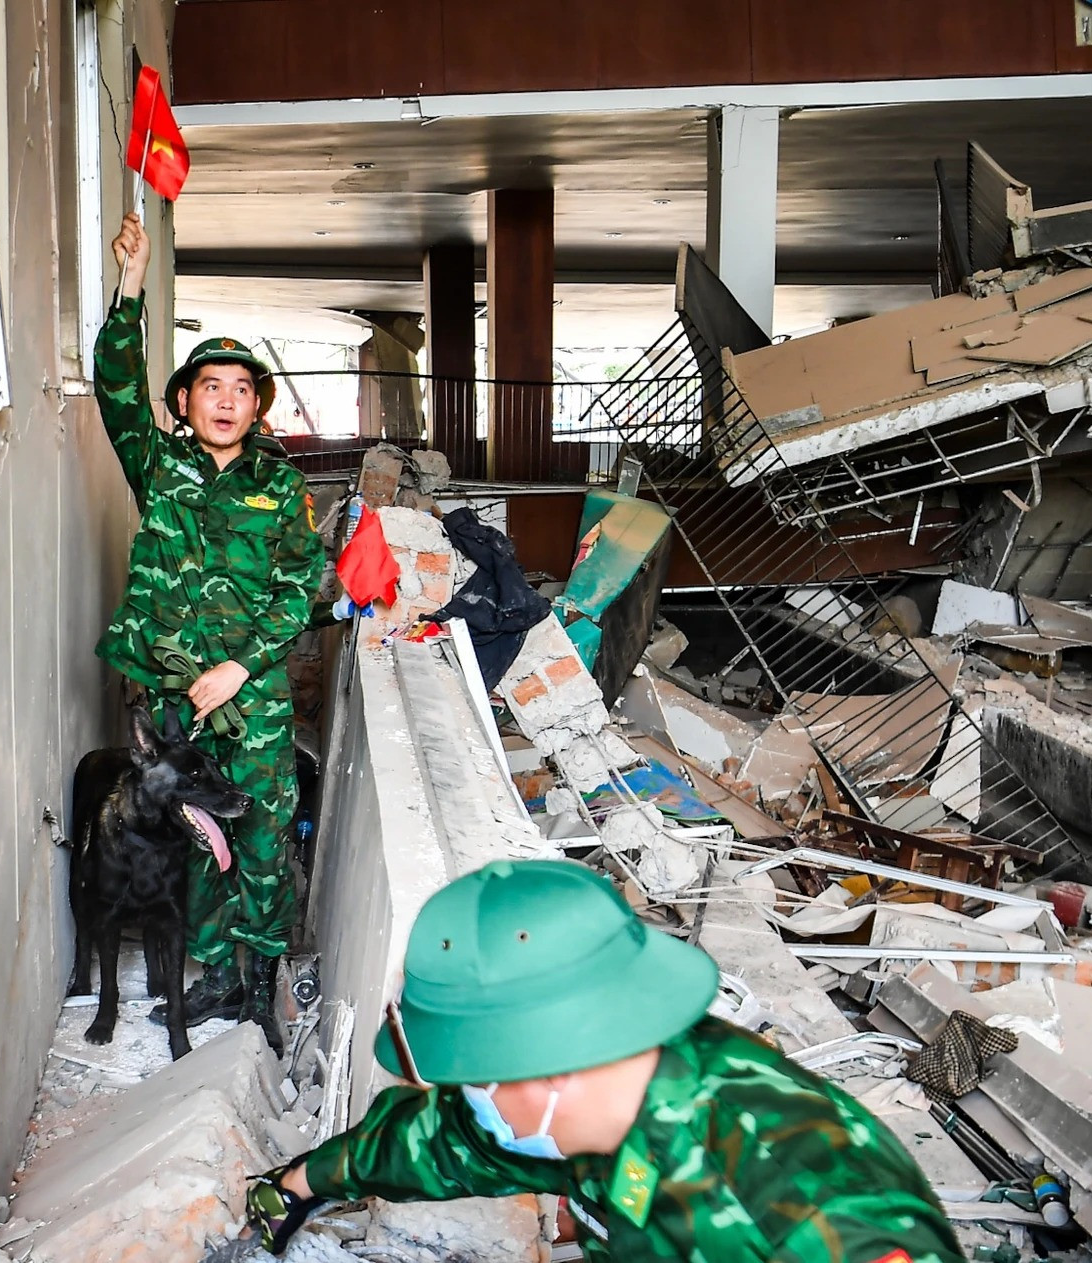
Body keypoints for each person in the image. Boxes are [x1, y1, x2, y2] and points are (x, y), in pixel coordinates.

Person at [244, 860, 966, 1263]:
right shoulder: (599, 1105)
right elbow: (444, 1141)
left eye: (469, 1078)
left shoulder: (816, 1213)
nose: (464, 1099)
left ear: (551, 1066)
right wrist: (301, 1182)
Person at [92, 212, 325, 1048]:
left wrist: (242, 667)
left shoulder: (280, 487)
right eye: (210, 387)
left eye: (241, 389)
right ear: (184, 402)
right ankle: (215, 973)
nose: (226, 401)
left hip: (249, 695)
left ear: (257, 405)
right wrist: (131, 286)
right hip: (174, 696)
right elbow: (114, 385)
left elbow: (300, 587)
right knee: (191, 833)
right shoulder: (159, 466)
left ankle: (258, 984)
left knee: (259, 831)